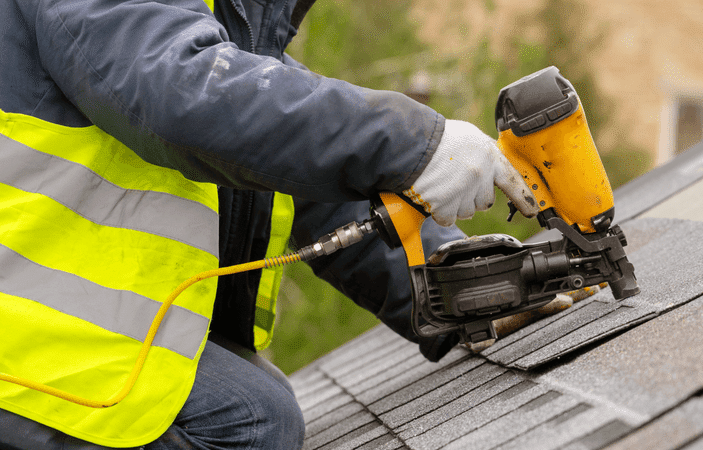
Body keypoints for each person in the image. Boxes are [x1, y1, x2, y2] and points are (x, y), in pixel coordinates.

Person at [0, 0, 537, 448]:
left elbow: (308, 181)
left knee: (255, 403)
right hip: (18, 343)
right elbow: (185, 95)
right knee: (249, 421)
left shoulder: (223, 25)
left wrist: (458, 285)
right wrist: (411, 144)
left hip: (53, 328)